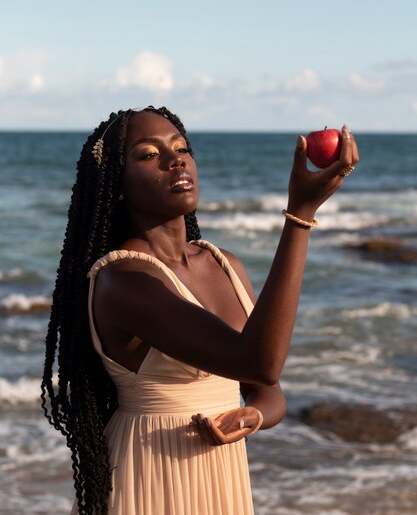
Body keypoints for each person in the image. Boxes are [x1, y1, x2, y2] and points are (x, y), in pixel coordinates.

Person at [41, 106, 359, 515]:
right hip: (150, 476)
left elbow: (267, 389)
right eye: (149, 154)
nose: (176, 160)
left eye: (181, 148)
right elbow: (261, 364)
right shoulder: (123, 281)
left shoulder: (223, 263)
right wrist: (300, 216)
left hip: (220, 473)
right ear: (116, 184)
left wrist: (252, 417)